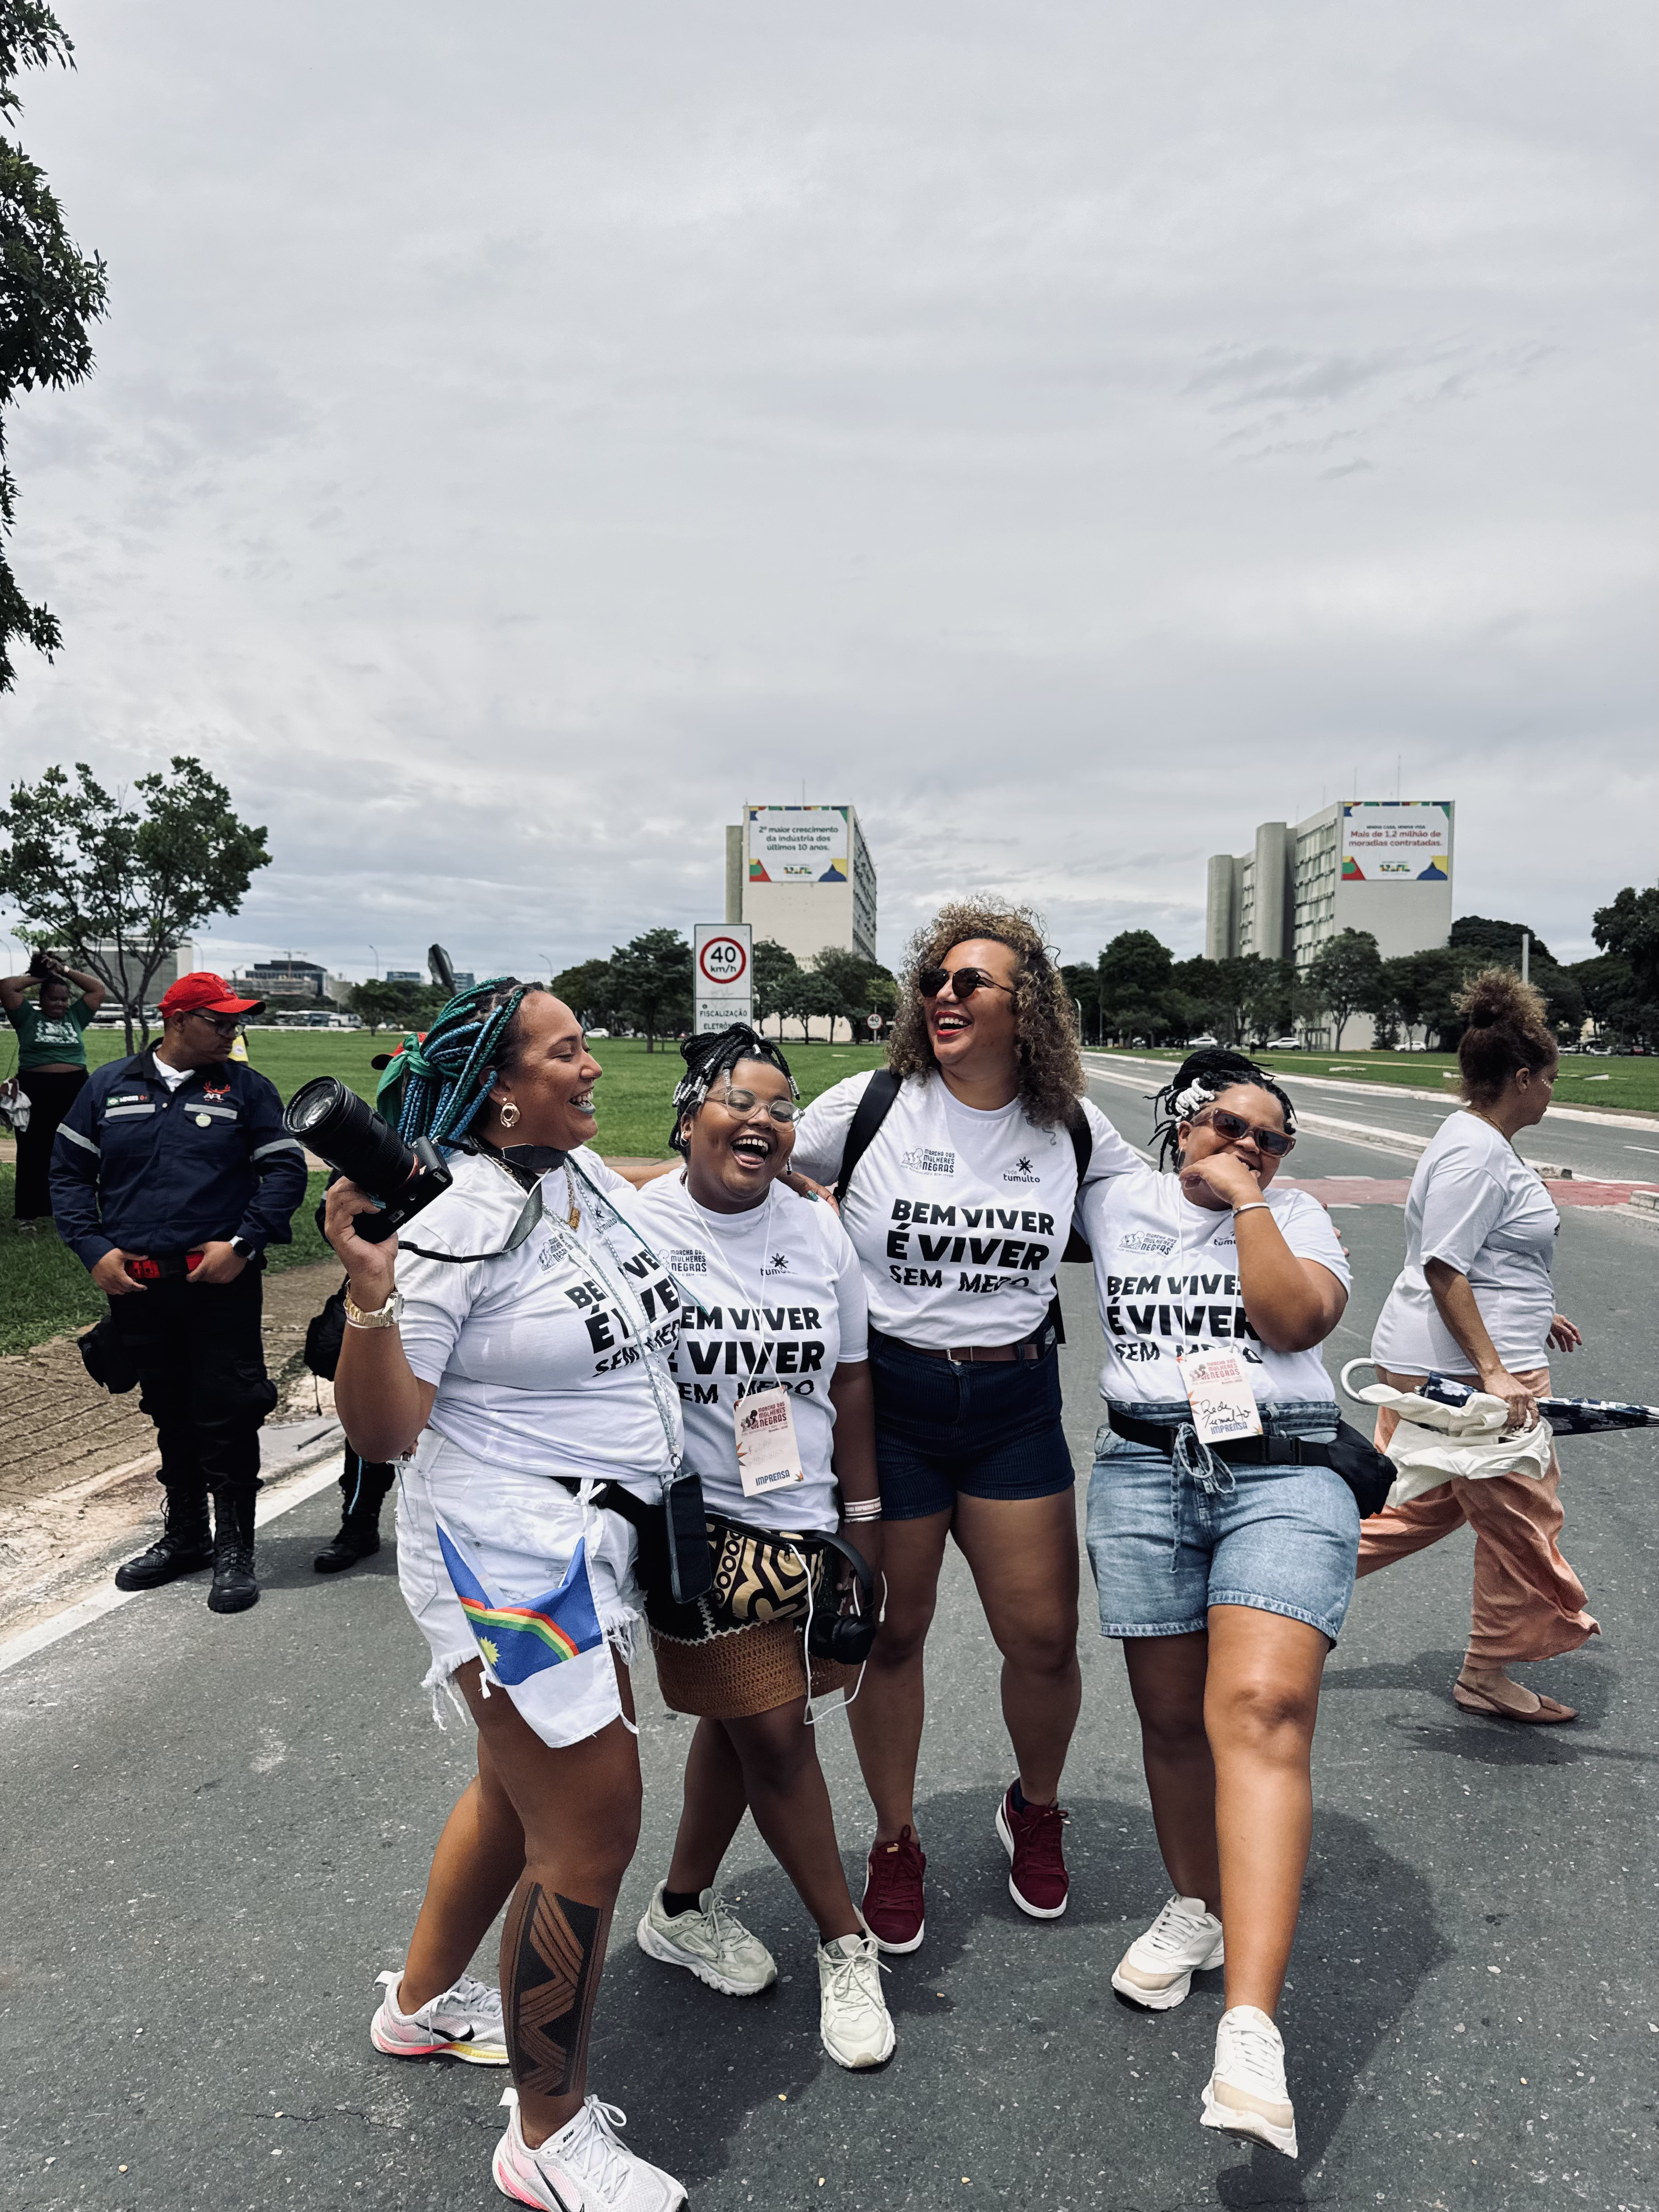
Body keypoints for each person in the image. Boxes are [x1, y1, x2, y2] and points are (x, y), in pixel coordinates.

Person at [328, 979, 689, 2212]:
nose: (594, 1065)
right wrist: (368, 1295)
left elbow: (630, 1226)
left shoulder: (573, 1180)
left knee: (512, 1787)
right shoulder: (441, 1223)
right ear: (500, 1088)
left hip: (588, 1543)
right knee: (590, 1831)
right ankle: (546, 2132)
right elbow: (385, 1433)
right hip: (509, 1563)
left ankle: (423, 2006)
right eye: (569, 1050)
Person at [787, 899, 1139, 1950]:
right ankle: (894, 1840)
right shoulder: (872, 1103)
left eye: (969, 981)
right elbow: (743, 1177)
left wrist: (1244, 1190)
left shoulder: (1071, 1125)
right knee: (890, 1633)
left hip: (1011, 1404)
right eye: (932, 979)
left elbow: (1157, 1230)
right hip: (887, 1402)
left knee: (1039, 1637)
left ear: (1025, 1004)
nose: (942, 993)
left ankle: (1033, 1807)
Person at [1079, 1046, 1355, 2161]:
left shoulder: (1299, 1218)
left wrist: (1250, 1202)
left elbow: (1295, 1325)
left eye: (1272, 1138)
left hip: (1283, 1471)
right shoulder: (1112, 1200)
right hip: (1145, 1471)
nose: (1251, 1146)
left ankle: (1250, 2026)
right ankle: (1195, 1901)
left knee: (1261, 1710)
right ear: (1182, 1120)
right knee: (1173, 1723)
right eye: (1230, 1127)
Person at [631, 1026, 894, 2070]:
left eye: (783, 1108)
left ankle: (680, 1906)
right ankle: (845, 1940)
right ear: (692, 1110)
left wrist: (861, 1520)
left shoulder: (816, 1228)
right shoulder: (638, 1223)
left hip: (808, 1524)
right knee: (779, 1739)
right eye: (740, 1100)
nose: (764, 1121)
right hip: (698, 1534)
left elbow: (852, 1378)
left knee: (746, 1729)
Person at [1361, 969, 1595, 1724]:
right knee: (1519, 1520)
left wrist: (1540, 1314)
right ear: (1521, 1077)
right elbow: (1444, 1264)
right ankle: (1487, 1671)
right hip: (1467, 1371)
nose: (1553, 1094)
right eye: (1550, 1080)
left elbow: (1494, 1258)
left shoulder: (1484, 1143)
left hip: (1466, 1357)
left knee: (1417, 1507)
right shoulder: (1475, 1152)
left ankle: (1262, 1589)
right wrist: (1495, 1369)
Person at [49, 971, 307, 1613]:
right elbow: (70, 1175)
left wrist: (243, 1244)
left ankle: (236, 1549)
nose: (231, 1032)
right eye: (219, 1021)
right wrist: (93, 1251)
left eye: (235, 1023)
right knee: (168, 1411)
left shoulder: (246, 1090)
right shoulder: (108, 1087)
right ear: (177, 1020)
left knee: (227, 1411)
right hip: (138, 1288)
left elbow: (283, 1172)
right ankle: (187, 1536)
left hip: (218, 1284)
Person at [2, 950, 106, 1228]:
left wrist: (65, 971)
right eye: (53, 998)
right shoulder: (26, 1017)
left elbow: (97, 989)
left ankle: (77, 1210)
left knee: (78, 1148)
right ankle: (28, 1215)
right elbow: (6, 987)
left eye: (64, 999)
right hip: (36, 1089)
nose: (60, 1004)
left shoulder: (76, 1016)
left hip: (74, 1088)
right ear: (41, 999)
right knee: (33, 1151)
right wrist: (41, 976)